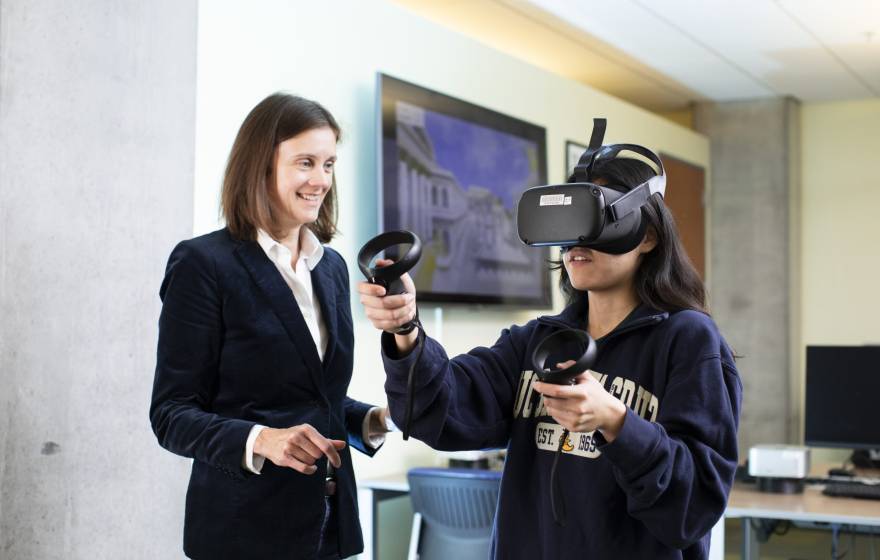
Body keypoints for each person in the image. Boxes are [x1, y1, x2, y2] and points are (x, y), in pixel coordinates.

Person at [358, 156, 742, 559]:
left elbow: (694, 506)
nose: (575, 241)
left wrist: (617, 423)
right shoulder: (536, 342)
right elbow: (436, 411)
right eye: (566, 223)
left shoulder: (690, 341)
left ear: (647, 237)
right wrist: (405, 330)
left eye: (592, 218)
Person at [151, 93, 392, 560]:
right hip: (243, 532)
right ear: (260, 165)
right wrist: (261, 440)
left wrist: (372, 420)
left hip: (330, 528)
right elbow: (171, 413)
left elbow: (313, 397)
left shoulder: (332, 267)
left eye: (329, 164)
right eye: (306, 162)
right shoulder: (204, 263)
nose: (321, 180)